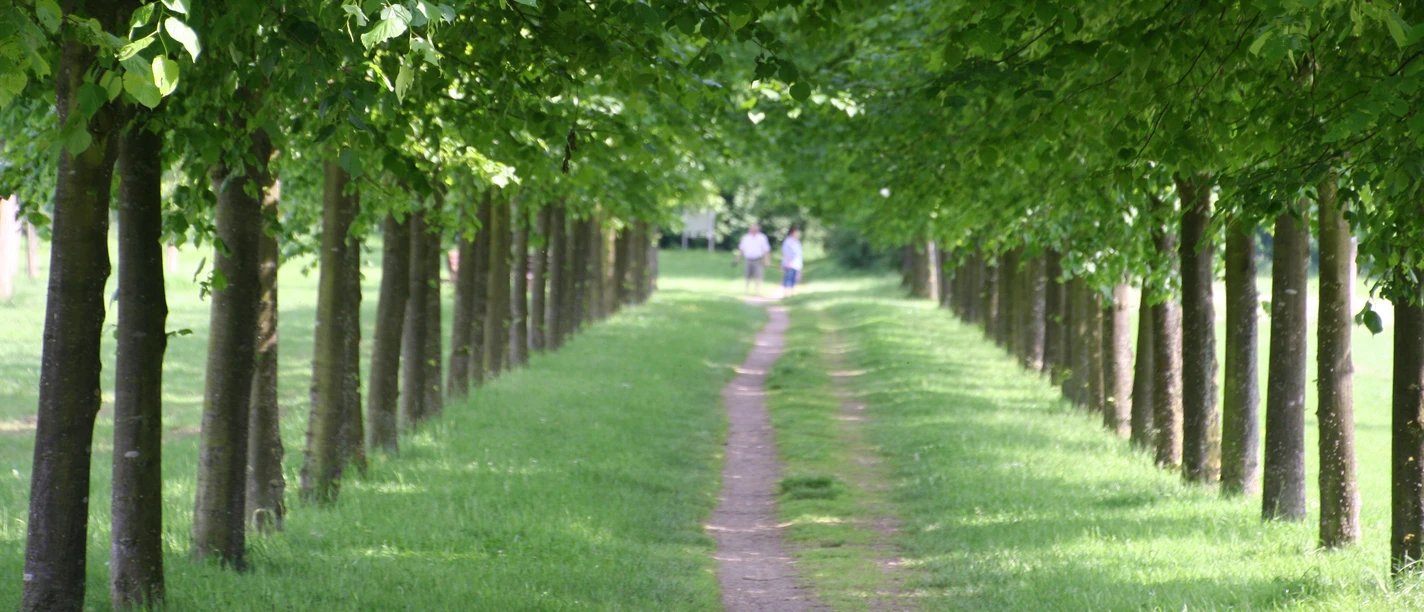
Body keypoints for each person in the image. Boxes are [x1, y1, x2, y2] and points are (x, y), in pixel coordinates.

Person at [735, 224, 772, 295]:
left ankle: (757, 292)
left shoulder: (762, 238)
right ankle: (746, 291)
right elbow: (742, 249)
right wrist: (737, 259)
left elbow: (766, 250)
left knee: (758, 276)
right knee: (747, 275)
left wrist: (767, 261)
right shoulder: (746, 237)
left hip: (758, 259)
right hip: (748, 259)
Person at [780, 228, 803, 298]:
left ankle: (792, 294)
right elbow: (786, 253)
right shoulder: (788, 241)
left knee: (794, 279)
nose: (797, 235)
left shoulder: (797, 242)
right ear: (792, 233)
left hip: (796, 264)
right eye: (796, 233)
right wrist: (787, 263)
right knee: (788, 279)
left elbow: (799, 254)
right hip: (789, 264)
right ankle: (785, 294)